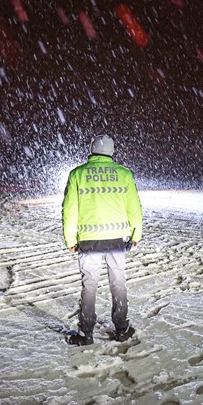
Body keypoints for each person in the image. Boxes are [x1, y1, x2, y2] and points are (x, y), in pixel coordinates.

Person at [62, 134, 143, 345]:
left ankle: (85, 333)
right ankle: (122, 328)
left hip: (89, 241)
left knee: (89, 285)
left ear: (91, 149)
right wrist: (136, 234)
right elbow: (134, 209)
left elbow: (69, 211)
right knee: (118, 282)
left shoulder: (77, 174)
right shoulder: (124, 174)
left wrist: (70, 239)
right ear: (112, 151)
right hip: (117, 240)